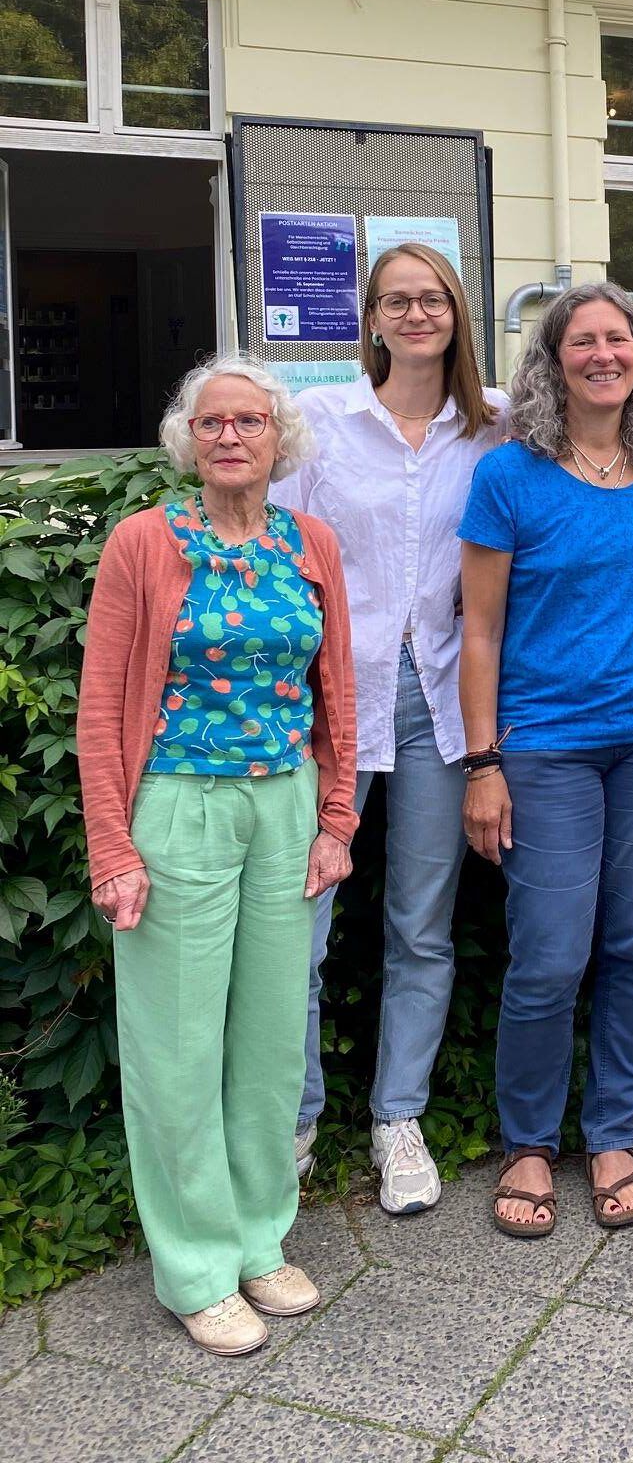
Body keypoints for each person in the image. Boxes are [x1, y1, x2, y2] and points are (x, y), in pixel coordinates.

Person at [79, 354, 357, 1356]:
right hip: (180, 808)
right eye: (213, 423)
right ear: (188, 441)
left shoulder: (311, 541)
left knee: (273, 1041)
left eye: (250, 421)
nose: (232, 436)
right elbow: (102, 707)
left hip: (283, 807)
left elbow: (338, 689)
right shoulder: (143, 545)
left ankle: (257, 1239)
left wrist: (337, 820)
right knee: (178, 1048)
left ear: (280, 439)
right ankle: (195, 1263)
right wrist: (113, 845)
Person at [457, 282, 633, 1239]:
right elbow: (478, 631)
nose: (604, 354)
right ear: (553, 361)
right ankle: (527, 1142)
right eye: (582, 341)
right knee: (550, 955)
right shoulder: (508, 476)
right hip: (543, 745)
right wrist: (484, 763)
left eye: (620, 338)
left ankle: (612, 1131)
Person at [270, 241, 507, 1214]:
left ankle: (397, 1119)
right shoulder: (321, 424)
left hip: (442, 706)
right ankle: (291, 1120)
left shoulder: (489, 435)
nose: (416, 314)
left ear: (456, 313)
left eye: (433, 298)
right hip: (332, 703)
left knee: (421, 927)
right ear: (369, 319)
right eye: (396, 301)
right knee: (301, 927)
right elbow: (282, 561)